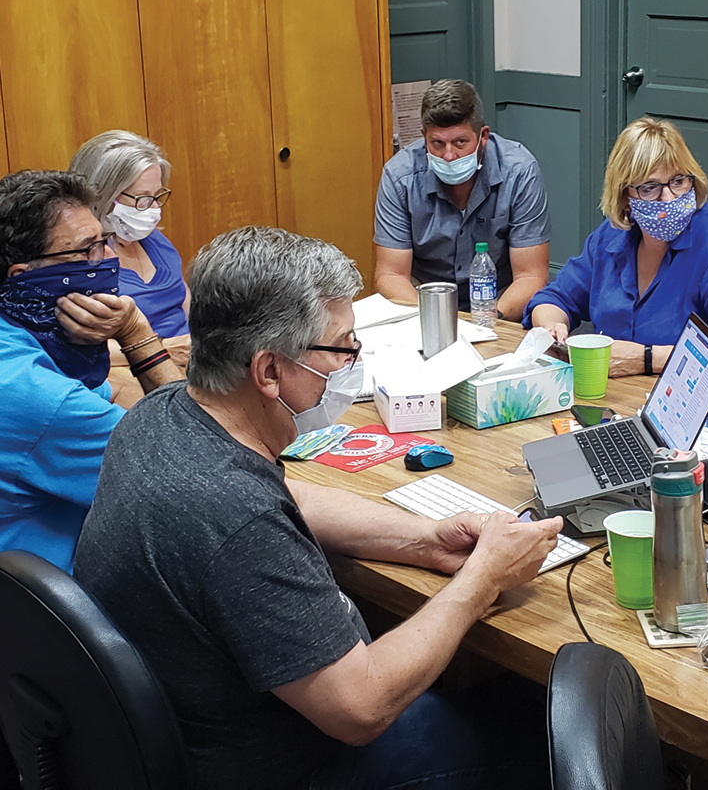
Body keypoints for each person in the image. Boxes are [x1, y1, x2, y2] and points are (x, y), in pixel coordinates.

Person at [75, 226, 561, 790]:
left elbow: (290, 495)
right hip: (289, 764)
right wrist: (481, 580)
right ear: (269, 372)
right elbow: (362, 708)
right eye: (342, 348)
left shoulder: (160, 415)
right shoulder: (238, 521)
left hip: (185, 734)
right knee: (542, 729)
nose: (351, 363)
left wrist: (426, 539)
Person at [0, 170, 183, 570]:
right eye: (89, 250)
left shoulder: (15, 335)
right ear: (23, 277)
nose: (110, 259)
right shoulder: (38, 399)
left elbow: (109, 390)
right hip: (64, 617)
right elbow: (204, 462)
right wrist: (137, 334)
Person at [524, 117, 708, 376]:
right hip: (614, 398)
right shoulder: (611, 237)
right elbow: (553, 298)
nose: (669, 197)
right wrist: (551, 329)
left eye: (679, 181)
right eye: (650, 188)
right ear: (625, 198)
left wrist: (648, 358)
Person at [374, 79, 550, 320]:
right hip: (423, 301)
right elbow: (391, 276)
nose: (448, 156)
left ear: (483, 136)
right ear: (424, 137)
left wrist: (486, 321)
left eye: (460, 142)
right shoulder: (400, 176)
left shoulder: (519, 171)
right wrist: (435, 322)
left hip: (501, 301)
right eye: (437, 143)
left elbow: (531, 276)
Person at [70, 130, 191, 367]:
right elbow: (78, 351)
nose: (155, 208)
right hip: (140, 368)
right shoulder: (79, 263)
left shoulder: (156, 241)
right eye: (142, 198)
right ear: (101, 195)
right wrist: (164, 350)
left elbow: (187, 305)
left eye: (157, 195)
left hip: (192, 360)